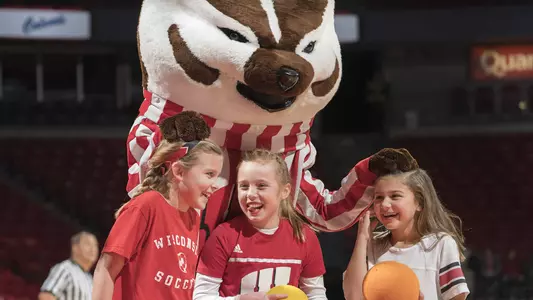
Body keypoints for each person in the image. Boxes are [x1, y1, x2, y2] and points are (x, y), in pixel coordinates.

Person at [92, 112, 224, 300]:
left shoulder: (193, 218)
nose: (216, 184)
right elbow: (105, 269)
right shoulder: (147, 205)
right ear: (178, 171)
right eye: (209, 174)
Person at [193, 149, 327, 300]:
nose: (250, 194)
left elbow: (316, 295)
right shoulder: (224, 235)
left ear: (285, 191)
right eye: (243, 186)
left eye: (261, 185)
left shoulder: (304, 237)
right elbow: (201, 296)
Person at [343, 159, 470, 300]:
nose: (384, 204)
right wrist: (362, 236)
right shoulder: (371, 246)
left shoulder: (440, 244)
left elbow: (457, 297)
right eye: (378, 197)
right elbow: (353, 296)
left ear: (419, 203)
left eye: (395, 196)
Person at [39, 231, 99, 300]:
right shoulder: (65, 269)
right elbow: (46, 296)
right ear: (75, 248)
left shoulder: (90, 279)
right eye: (88, 244)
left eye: (95, 245)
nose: (93, 249)